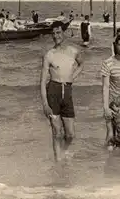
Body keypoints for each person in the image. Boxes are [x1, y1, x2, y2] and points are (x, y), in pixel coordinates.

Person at [40, 21, 85, 161]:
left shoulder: (73, 51)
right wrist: (45, 104)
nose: (55, 36)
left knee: (70, 134)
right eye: (53, 34)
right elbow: (42, 82)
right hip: (53, 90)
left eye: (58, 32)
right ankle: (58, 161)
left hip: (68, 91)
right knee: (57, 132)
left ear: (64, 33)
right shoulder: (49, 54)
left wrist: (73, 77)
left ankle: (63, 152)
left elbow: (82, 64)